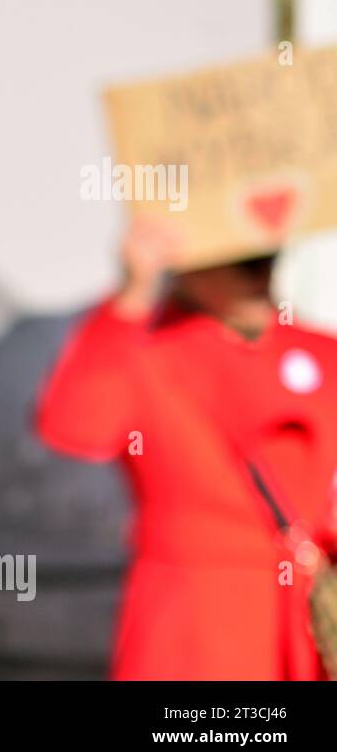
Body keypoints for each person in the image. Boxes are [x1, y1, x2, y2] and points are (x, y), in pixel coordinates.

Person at [37, 217, 337, 680]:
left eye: (263, 262)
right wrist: (132, 293)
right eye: (238, 265)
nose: (256, 276)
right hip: (193, 624)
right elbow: (74, 427)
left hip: (302, 618)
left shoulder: (317, 352)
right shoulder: (145, 350)